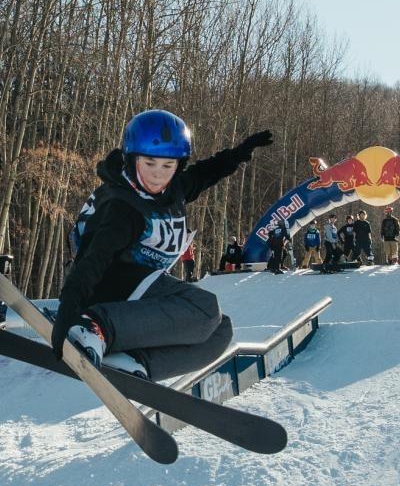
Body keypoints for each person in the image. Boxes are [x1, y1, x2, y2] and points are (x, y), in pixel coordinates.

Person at [51, 109, 272, 379]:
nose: (158, 175)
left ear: (178, 165)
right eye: (150, 163)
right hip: (107, 287)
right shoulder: (122, 205)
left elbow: (206, 173)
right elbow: (93, 259)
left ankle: (135, 363)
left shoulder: (173, 190)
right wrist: (68, 308)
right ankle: (95, 328)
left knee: (220, 330)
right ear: (133, 159)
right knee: (206, 307)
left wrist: (239, 153)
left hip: (140, 291)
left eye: (168, 166)